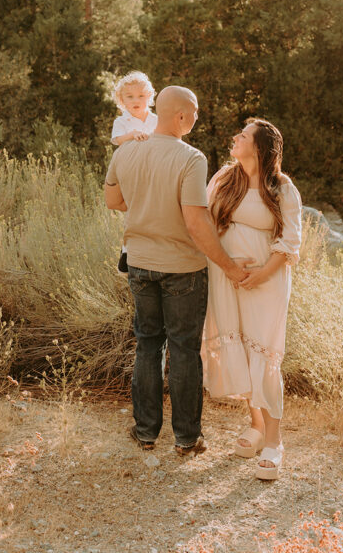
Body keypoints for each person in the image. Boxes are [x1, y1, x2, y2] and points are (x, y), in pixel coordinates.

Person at [104, 85, 250, 456]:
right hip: (182, 269)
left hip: (139, 263)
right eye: (196, 112)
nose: (197, 118)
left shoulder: (127, 151)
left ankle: (145, 432)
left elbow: (113, 200)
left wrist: (147, 207)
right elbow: (196, 223)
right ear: (181, 116)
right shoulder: (192, 158)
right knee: (184, 350)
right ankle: (187, 438)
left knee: (147, 345)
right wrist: (231, 268)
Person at [201, 118, 302, 480]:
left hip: (266, 282)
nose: (235, 139)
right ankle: (256, 424)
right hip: (227, 278)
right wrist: (227, 265)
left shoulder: (282, 188)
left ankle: (275, 441)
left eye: (242, 136)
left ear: (258, 148)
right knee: (241, 348)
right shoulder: (224, 178)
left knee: (265, 352)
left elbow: (290, 241)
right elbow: (204, 224)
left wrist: (260, 273)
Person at [110, 71, 158, 273]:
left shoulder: (156, 120)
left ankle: (156, 248)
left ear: (149, 97)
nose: (135, 100)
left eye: (140, 96)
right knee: (133, 209)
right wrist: (132, 134)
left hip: (154, 170)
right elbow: (117, 140)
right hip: (132, 170)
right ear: (122, 100)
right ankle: (127, 250)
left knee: (155, 208)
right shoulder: (123, 122)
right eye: (129, 97)